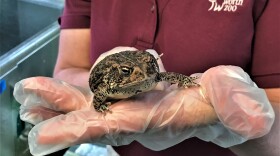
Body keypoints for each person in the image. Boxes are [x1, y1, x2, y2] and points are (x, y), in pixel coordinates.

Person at [14, 0, 279, 156]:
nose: (142, 75)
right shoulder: (112, 81)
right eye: (132, 73)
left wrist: (221, 117)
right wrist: (99, 97)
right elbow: (70, 69)